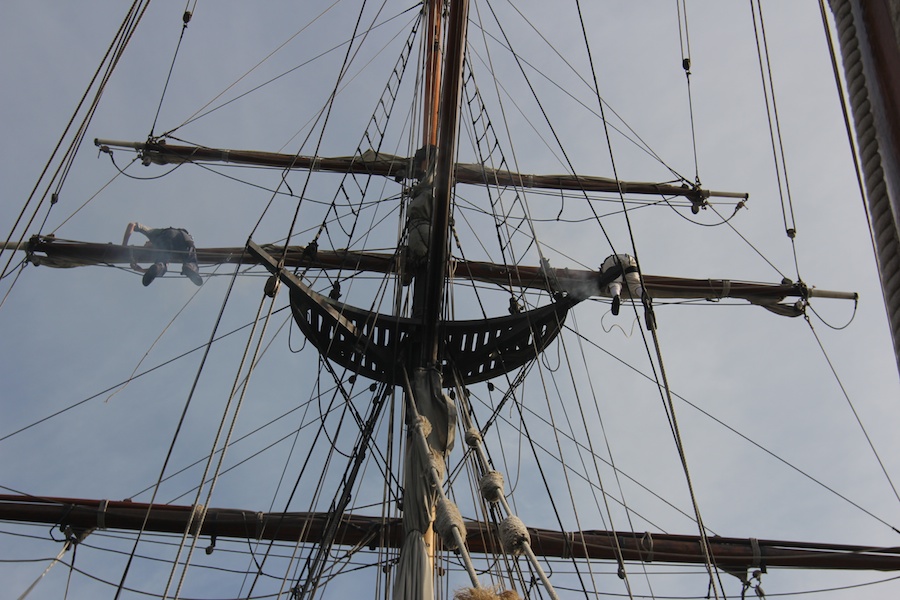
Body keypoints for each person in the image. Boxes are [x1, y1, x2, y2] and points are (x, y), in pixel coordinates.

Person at [122, 222, 203, 286]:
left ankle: (189, 267)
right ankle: (190, 267)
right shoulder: (161, 250)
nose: (145, 244)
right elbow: (154, 270)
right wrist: (140, 270)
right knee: (190, 259)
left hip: (168, 236)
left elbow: (132, 225)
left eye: (146, 244)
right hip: (185, 239)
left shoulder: (153, 234)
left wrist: (124, 246)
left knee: (161, 264)